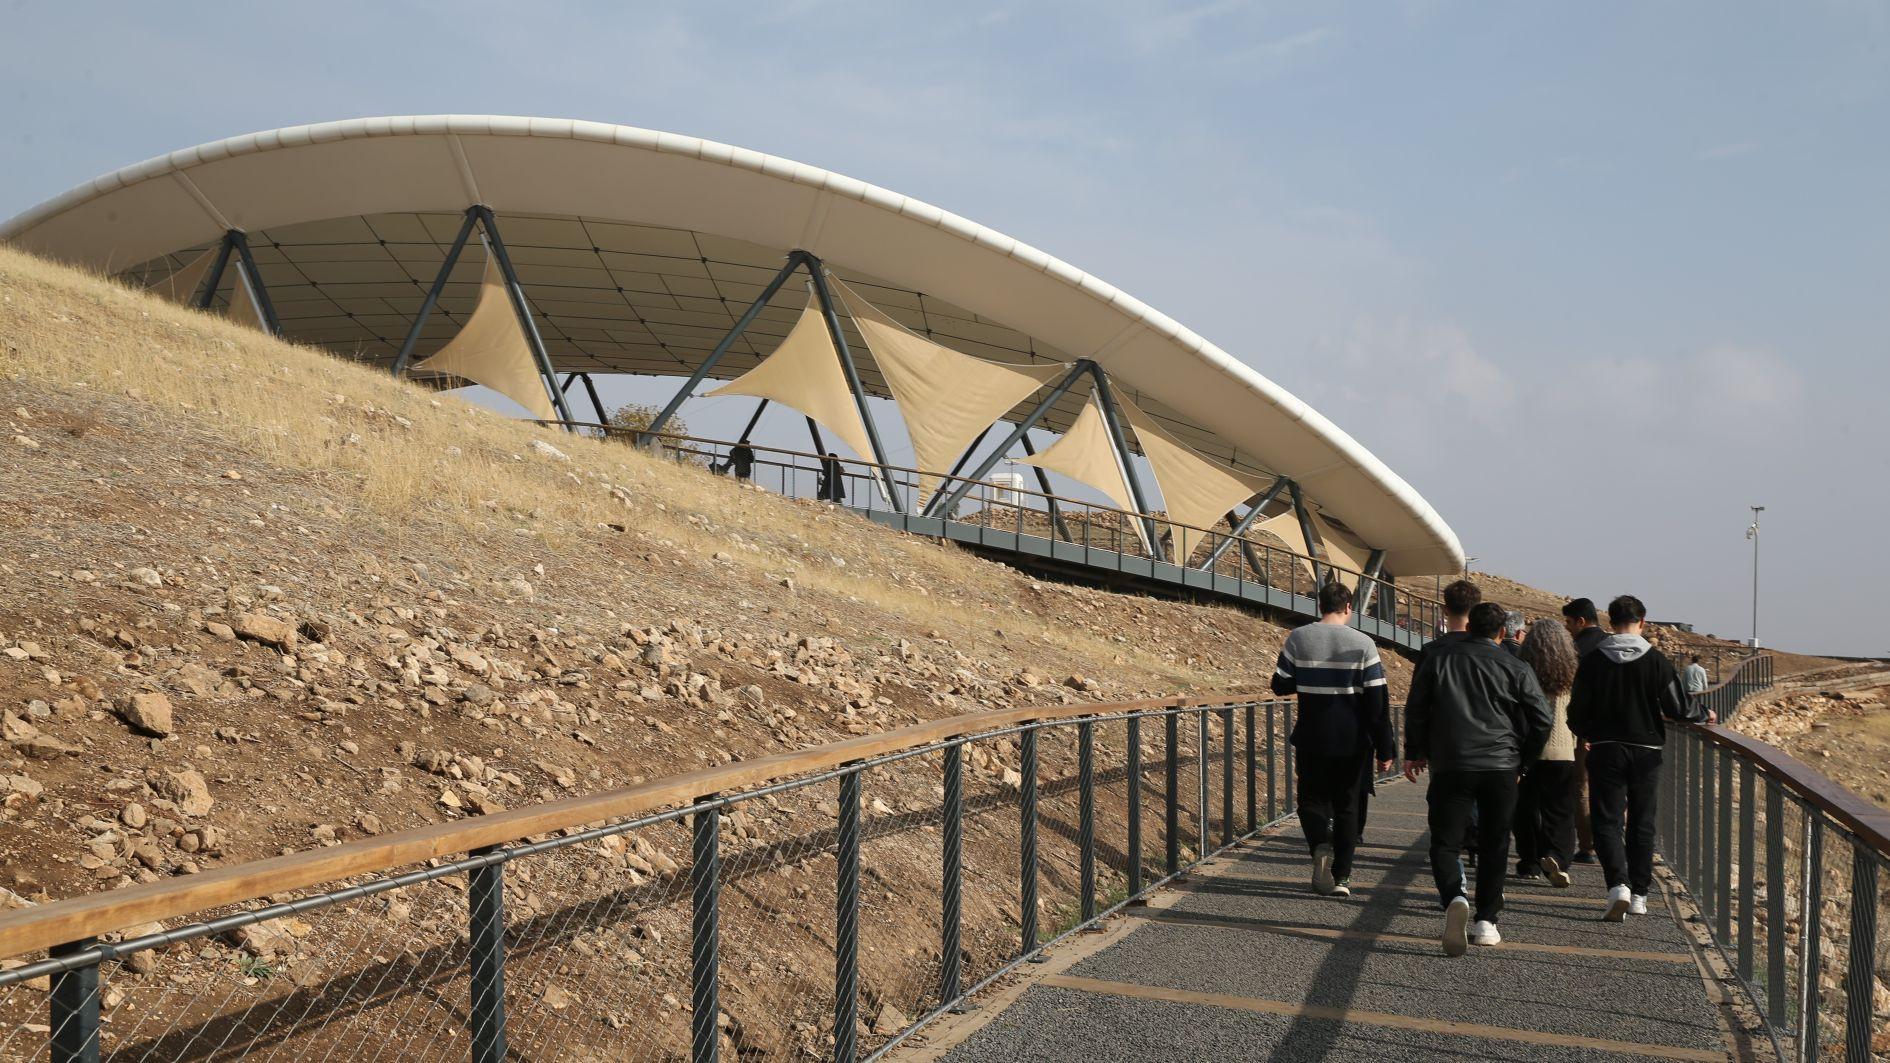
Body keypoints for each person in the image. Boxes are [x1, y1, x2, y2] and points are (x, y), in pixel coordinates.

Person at [1404, 601, 1552, 956]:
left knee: (1444, 842)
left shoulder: (1439, 660)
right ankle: (1487, 921)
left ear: (1468, 627)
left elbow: (1417, 707)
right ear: (1502, 633)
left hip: (1452, 764)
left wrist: (1416, 750)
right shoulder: (1515, 666)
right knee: (1496, 843)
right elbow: (1542, 720)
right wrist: (1523, 763)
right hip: (1501, 766)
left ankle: (1455, 895)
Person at [1567, 595, 1714, 921]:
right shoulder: (1657, 661)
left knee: (1607, 820)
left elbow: (1576, 712)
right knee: (1642, 822)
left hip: (1606, 748)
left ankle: (1617, 883)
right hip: (1647, 750)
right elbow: (1678, 707)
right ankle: (1640, 894)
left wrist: (1587, 732)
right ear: (1642, 623)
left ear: (1610, 623)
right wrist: (1705, 712)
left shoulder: (1593, 661)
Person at [1270, 582, 1394, 898]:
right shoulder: (1363, 643)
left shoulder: (1299, 638)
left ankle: (1319, 845)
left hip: (1312, 736)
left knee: (1310, 799)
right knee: (1347, 807)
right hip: (1353, 740)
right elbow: (1377, 702)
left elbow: (1280, 685)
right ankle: (1341, 877)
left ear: (1320, 605)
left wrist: (1311, 676)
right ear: (1349, 607)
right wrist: (1385, 748)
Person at [1513, 619, 1581, 887]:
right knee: (1561, 809)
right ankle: (1558, 857)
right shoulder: (1572, 673)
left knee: (1525, 808)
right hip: (1563, 749)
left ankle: (1529, 860)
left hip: (1528, 748)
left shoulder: (1522, 669)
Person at [1560, 597, 1607, 864]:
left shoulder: (1574, 649)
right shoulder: (1612, 645)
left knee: (1582, 787)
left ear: (1580, 621)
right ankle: (1612, 837)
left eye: (1568, 622)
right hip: (1614, 730)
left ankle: (1587, 846)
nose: (1567, 628)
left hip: (1584, 730)